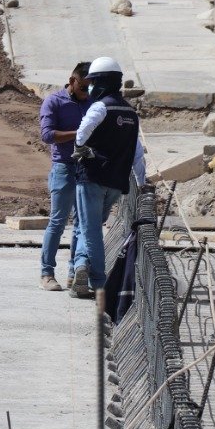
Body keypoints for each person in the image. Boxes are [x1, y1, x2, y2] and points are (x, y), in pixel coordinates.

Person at [69, 56, 143, 299]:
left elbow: (81, 134)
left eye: (92, 83)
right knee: (86, 225)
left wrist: (81, 146)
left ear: (100, 82)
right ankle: (79, 265)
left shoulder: (100, 108)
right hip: (116, 182)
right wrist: (141, 184)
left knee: (90, 231)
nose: (89, 87)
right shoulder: (131, 114)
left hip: (91, 177)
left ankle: (99, 282)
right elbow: (137, 154)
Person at [38, 62, 91, 291]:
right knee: (58, 222)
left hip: (86, 167)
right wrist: (79, 134)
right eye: (83, 87)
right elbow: (47, 135)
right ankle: (47, 273)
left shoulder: (91, 103)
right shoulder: (54, 101)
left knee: (82, 223)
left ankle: (74, 273)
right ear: (72, 81)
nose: (86, 93)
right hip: (64, 166)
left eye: (90, 88)